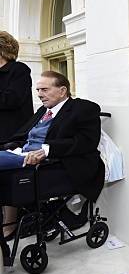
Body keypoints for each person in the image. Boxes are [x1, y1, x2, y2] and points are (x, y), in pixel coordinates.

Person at [0, 71, 105, 201]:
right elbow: (23, 136)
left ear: (62, 91)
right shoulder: (43, 110)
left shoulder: (83, 108)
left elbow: (87, 142)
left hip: (55, 164)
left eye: (44, 90)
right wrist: (13, 147)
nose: (39, 94)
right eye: (38, 90)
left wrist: (46, 150)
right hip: (22, 155)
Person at [0, 31, 33, 236]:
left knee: (9, 179)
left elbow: (12, 100)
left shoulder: (19, 70)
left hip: (12, 135)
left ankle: (10, 225)